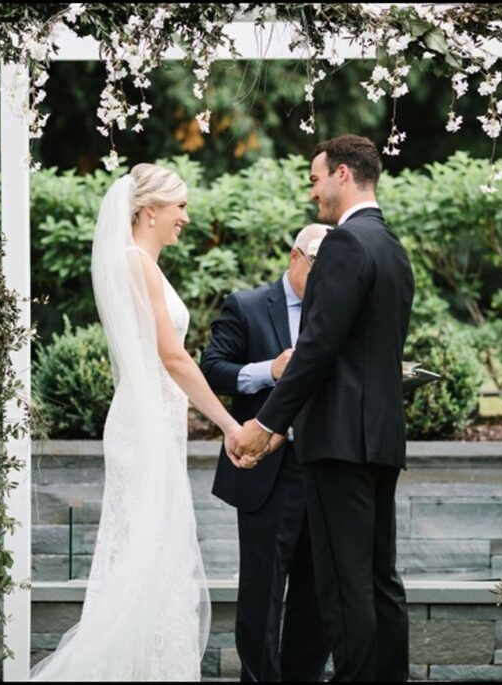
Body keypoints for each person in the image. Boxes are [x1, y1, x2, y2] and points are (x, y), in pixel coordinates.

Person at [31, 164, 244, 681]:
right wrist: (228, 424)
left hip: (151, 422)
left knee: (152, 557)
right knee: (151, 557)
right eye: (180, 207)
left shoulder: (136, 263)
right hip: (144, 427)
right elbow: (173, 359)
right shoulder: (137, 264)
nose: (186, 218)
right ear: (150, 210)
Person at [231, 135, 414, 681]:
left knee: (343, 584)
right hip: (380, 440)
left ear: (341, 174)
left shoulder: (343, 244)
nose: (313, 193)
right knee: (381, 581)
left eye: (315, 180)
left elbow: (316, 347)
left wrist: (266, 425)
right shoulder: (392, 247)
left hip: (337, 443)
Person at [201, 224, 332, 682]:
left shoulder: (338, 309)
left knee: (316, 593)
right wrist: (267, 370)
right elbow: (211, 369)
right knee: (262, 590)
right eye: (320, 266)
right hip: (268, 469)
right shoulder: (248, 305)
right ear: (296, 257)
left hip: (324, 467)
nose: (328, 278)